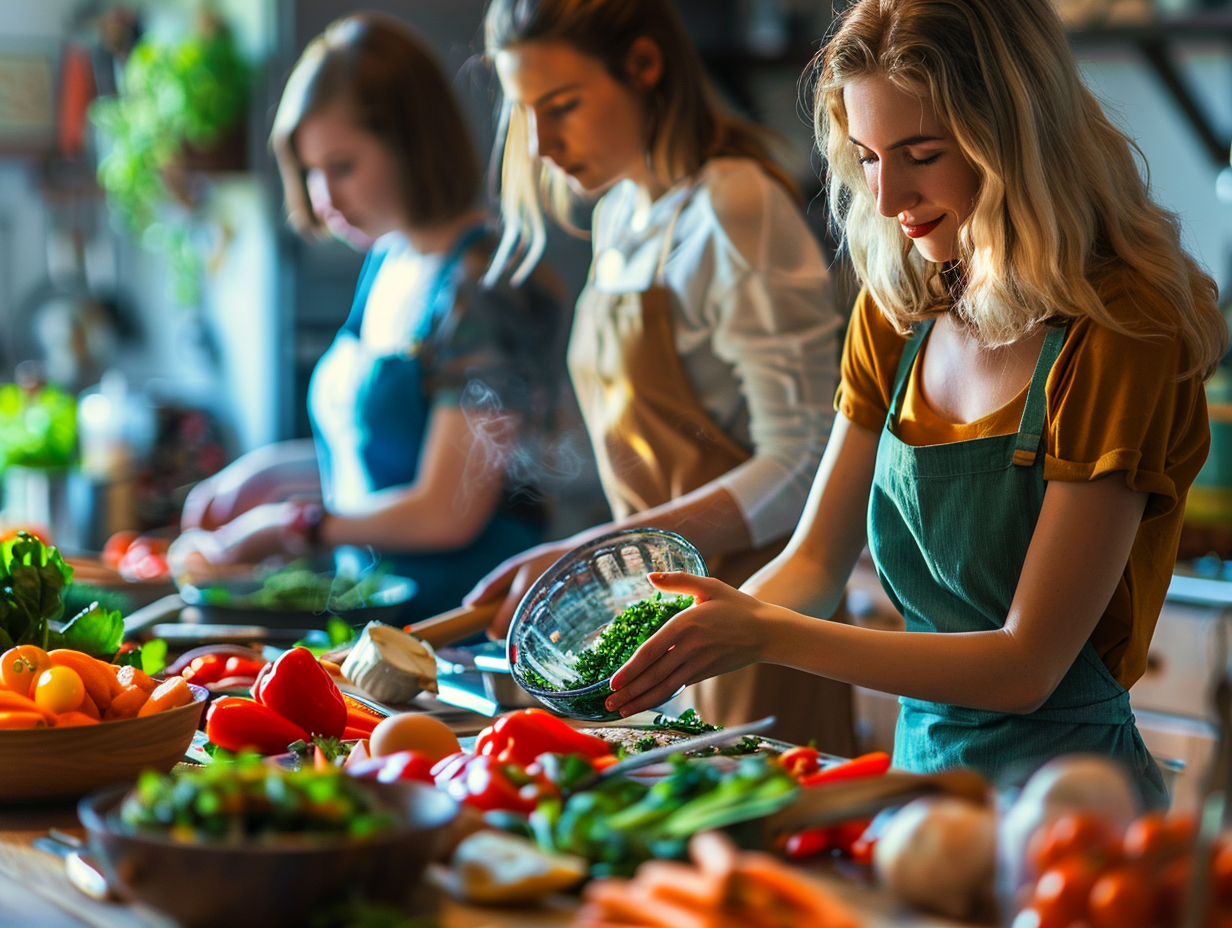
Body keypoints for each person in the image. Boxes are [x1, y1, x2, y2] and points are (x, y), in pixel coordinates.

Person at [603, 0, 1228, 807]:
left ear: (1014, 137)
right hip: (915, 789)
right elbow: (817, 561)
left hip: (1072, 803)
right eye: (866, 157)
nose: (890, 194)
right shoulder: (902, 304)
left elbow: (1025, 666)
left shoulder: (1119, 330)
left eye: (920, 153)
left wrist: (764, 635)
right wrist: (679, 643)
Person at [466, 0, 851, 751]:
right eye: (526, 114)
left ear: (644, 66)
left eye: (564, 105)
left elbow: (806, 460)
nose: (542, 144)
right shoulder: (619, 217)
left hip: (754, 625)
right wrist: (611, 560)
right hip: (653, 628)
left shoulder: (736, 205)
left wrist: (606, 550)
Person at [172, 14, 564, 623]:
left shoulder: (485, 287)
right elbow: (378, 453)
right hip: (379, 623)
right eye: (310, 171)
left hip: (467, 632)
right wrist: (263, 476)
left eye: (343, 166)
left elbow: (444, 511)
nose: (324, 196)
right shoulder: (388, 260)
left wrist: (289, 526)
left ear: (412, 143)